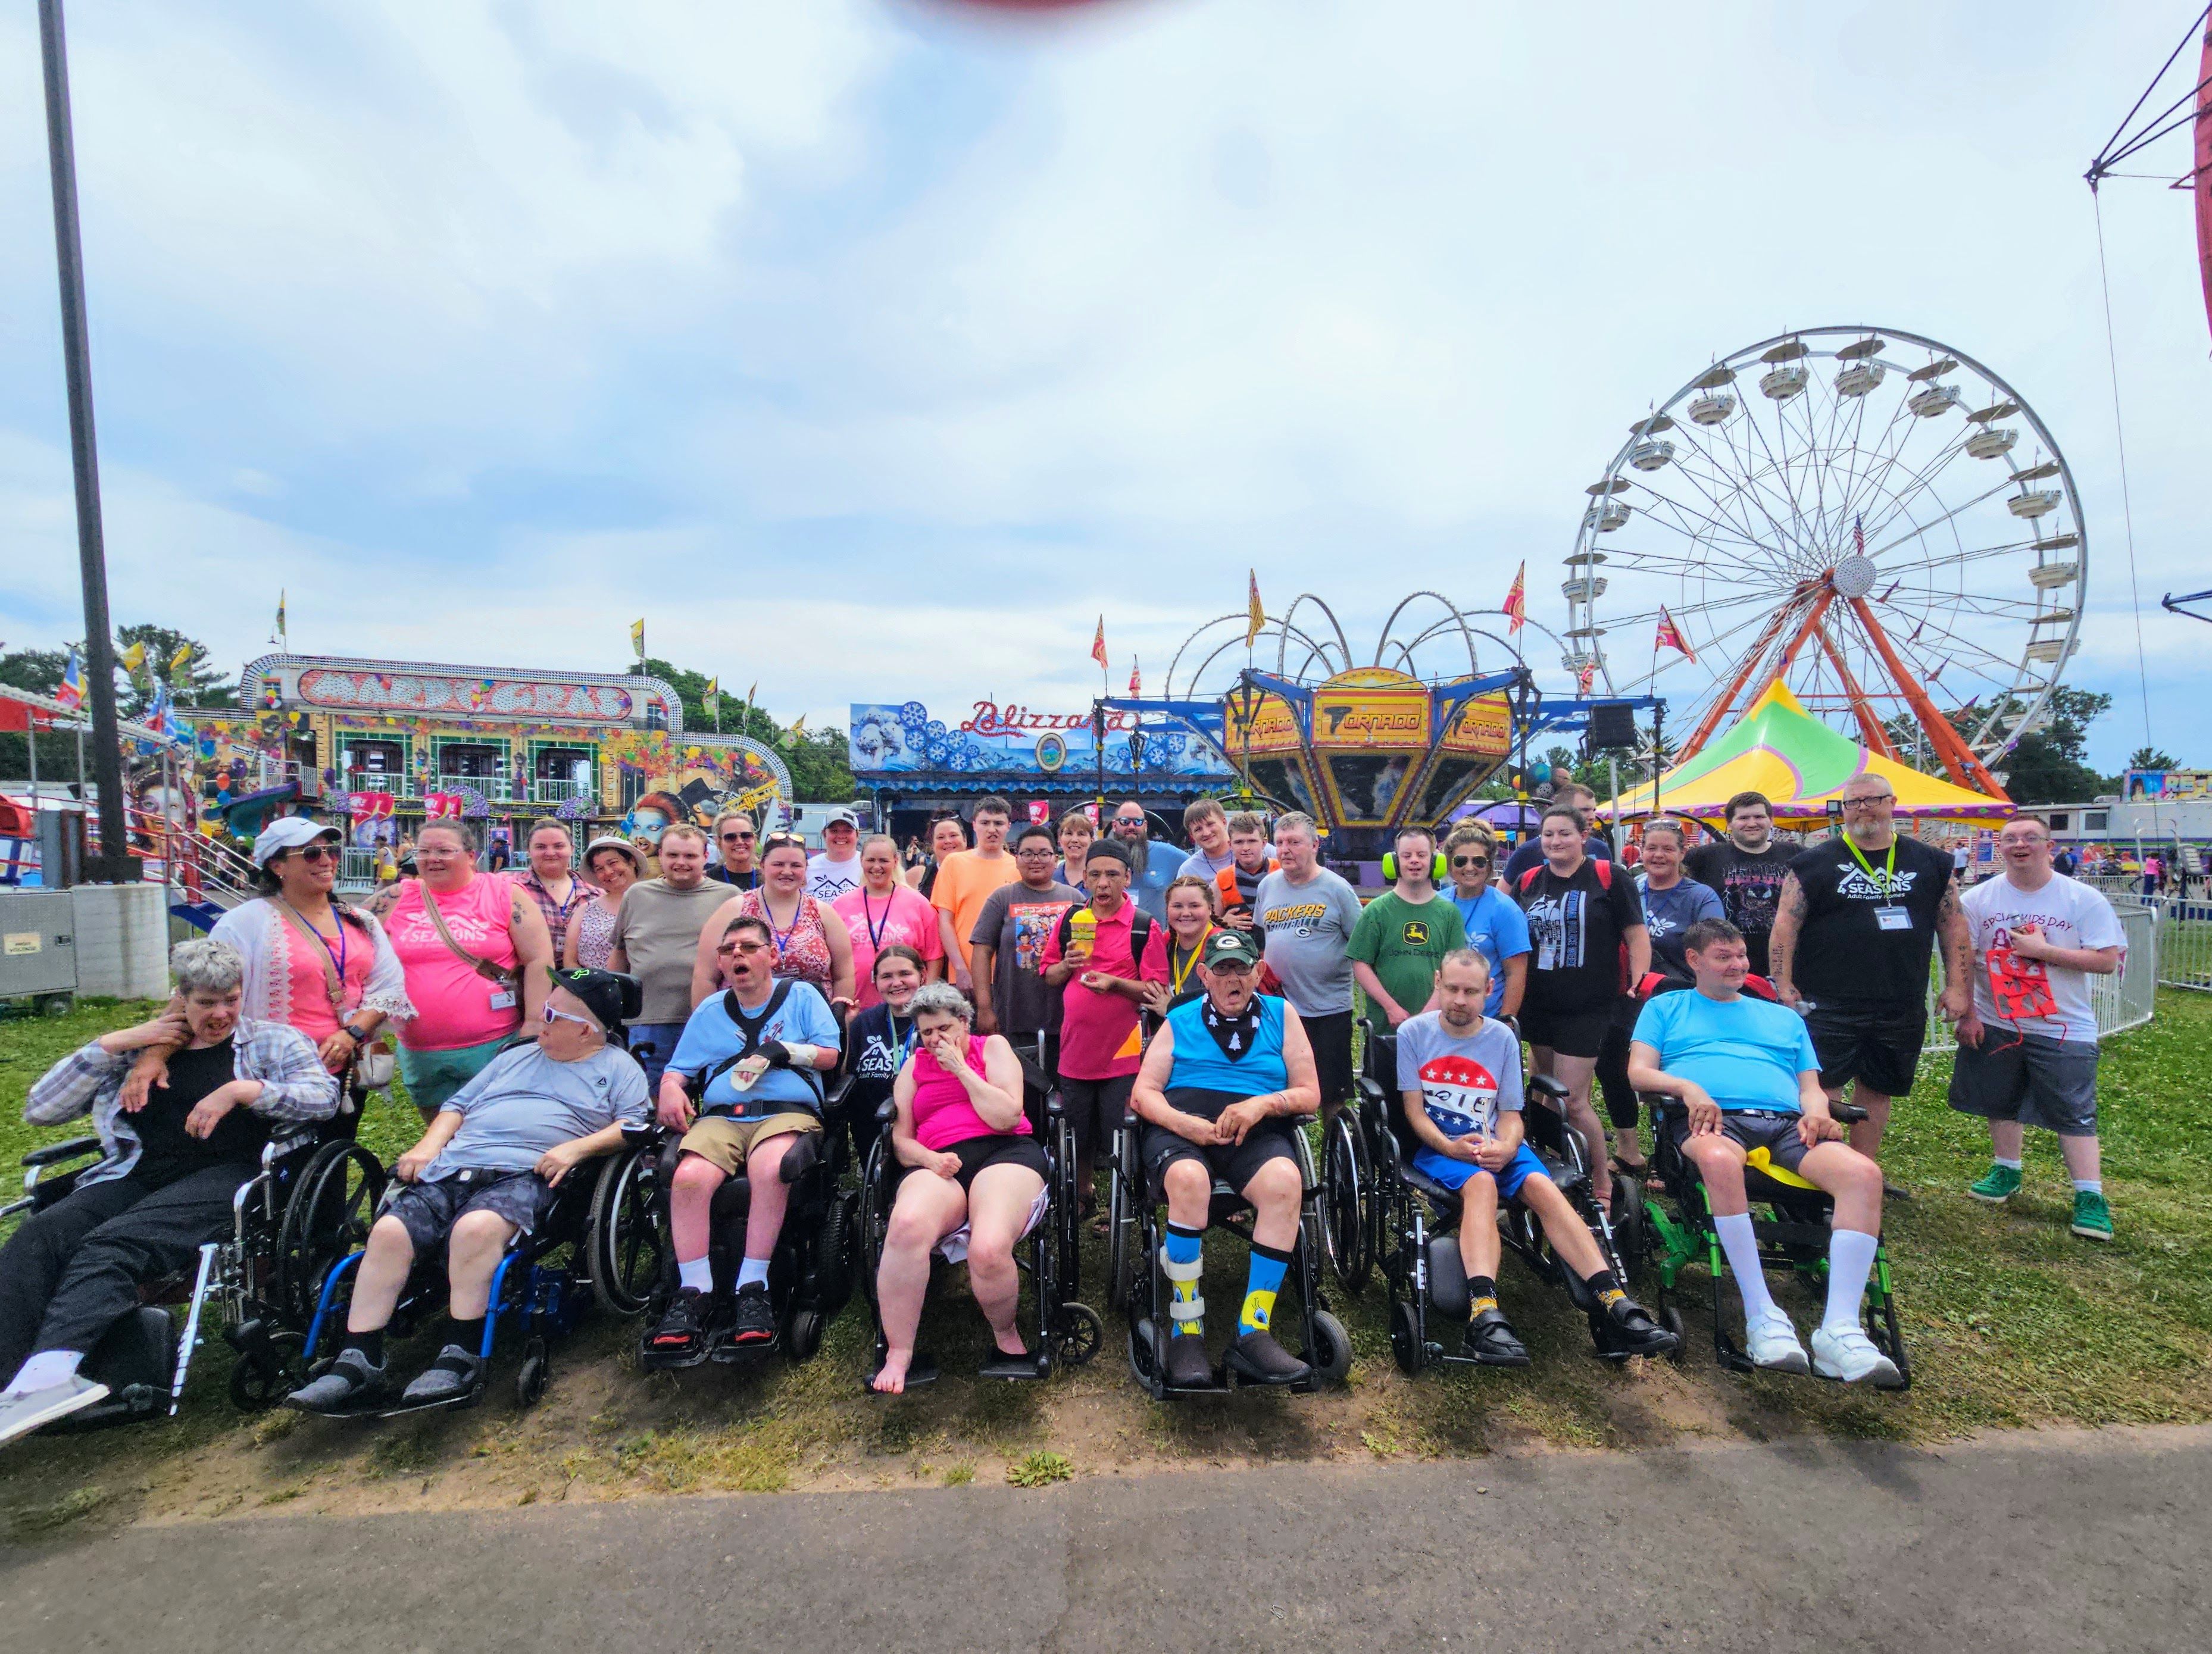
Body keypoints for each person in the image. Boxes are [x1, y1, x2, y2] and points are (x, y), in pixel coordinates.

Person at [1, 940, 338, 1443]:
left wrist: (242, 1091)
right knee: (38, 1238)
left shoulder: (272, 1042)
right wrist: (113, 1041)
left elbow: (323, 1099)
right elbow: (41, 1109)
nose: (221, 1013)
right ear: (181, 997)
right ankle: (13, 1385)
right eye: (206, 1002)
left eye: (231, 999)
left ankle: (54, 1371)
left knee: (112, 1246)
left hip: (230, 1175)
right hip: (136, 1174)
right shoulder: (141, 1051)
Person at [283, 968, 649, 1413]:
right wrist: (428, 1145)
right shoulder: (516, 1055)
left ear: (586, 1030)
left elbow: (635, 1124)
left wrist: (577, 1148)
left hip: (526, 1174)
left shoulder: (617, 1067)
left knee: (475, 1230)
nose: (542, 1021)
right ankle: (358, 1358)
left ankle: (461, 1353)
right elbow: (457, 1106)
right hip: (457, 1165)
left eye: (552, 1014)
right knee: (389, 1232)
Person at [1628, 919, 1900, 1383]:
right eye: (1723, 956)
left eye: (1741, 955)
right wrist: (1688, 1087)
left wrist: (1817, 1111)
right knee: (1716, 1160)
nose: (1738, 964)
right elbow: (1639, 1073)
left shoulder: (1783, 1017)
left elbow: (1810, 1087)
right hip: (1712, 1118)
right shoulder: (1667, 1007)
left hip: (1786, 1124)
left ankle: (1840, 1328)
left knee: (1864, 1175)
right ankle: (1762, 1314)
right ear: (1694, 960)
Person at [1398, 952, 1673, 1364]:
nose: (1459, 999)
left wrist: (1508, 1147)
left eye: (1471, 991)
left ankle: (1614, 1298)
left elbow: (1511, 1116)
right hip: (1443, 1145)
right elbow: (1415, 1113)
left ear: (1489, 990)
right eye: (1452, 988)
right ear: (1438, 982)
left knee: (1543, 1187)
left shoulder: (1501, 1038)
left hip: (1498, 1142)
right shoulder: (1413, 1033)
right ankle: (1483, 1311)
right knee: (1481, 1184)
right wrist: (1450, 1147)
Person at [1130, 928, 1318, 1389]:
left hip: (1253, 1129)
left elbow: (1309, 1092)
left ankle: (1253, 1329)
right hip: (1184, 1129)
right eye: (1221, 969)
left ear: (1258, 972)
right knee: (1190, 1179)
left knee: (1283, 1183)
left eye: (1242, 968)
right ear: (1203, 975)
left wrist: (1262, 1105)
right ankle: (1186, 1328)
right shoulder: (1182, 1017)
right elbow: (1143, 1093)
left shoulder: (1281, 1013)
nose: (1232, 978)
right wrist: (1184, 1123)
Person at [645, 914, 842, 1355]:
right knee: (689, 1176)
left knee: (768, 1168)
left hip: (785, 1111)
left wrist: (785, 1051)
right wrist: (670, 1088)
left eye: (749, 946)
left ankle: (754, 1286)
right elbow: (679, 1069)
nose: (738, 954)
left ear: (772, 955)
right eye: (728, 948)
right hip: (722, 1114)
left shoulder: (802, 996)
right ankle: (693, 1292)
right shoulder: (710, 1010)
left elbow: (830, 1056)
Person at [126, 818, 412, 1113]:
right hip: (268, 1076)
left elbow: (387, 988)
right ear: (278, 866)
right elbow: (196, 995)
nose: (327, 861)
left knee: (335, 1151)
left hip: (345, 1071)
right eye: (312, 854)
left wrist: (350, 1035)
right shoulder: (246, 924)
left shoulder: (359, 921)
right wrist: (154, 1057)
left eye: (332, 851)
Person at [1769, 774, 1971, 1162]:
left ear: (1892, 802)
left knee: (1878, 1089)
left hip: (1900, 999)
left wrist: (1959, 986)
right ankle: (1822, 1168)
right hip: (1827, 999)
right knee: (1822, 1087)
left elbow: (1953, 925)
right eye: (1853, 802)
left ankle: (1863, 1168)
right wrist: (1784, 983)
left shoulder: (1930, 862)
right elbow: (1785, 926)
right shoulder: (1812, 863)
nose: (1863, 808)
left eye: (1872, 799)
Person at [868, 983, 1052, 1394]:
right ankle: (899, 1351)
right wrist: (930, 1160)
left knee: (987, 1246)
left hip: (1005, 1152)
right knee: (907, 1224)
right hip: (939, 1160)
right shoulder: (912, 1068)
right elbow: (901, 1140)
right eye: (926, 1032)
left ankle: (1006, 1335)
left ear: (965, 1022)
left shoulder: (993, 1049)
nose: (935, 1039)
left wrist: (961, 1070)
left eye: (944, 1028)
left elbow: (1007, 1115)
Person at [1951, 815, 2127, 1242]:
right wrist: (1968, 1013)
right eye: (2010, 838)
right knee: (2001, 1100)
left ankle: (2089, 1196)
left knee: (2074, 1112)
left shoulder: (2080, 898)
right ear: (2000, 847)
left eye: (2030, 837)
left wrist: (2043, 951)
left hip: (2063, 1027)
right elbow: (1964, 958)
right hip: (1997, 1020)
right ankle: (2006, 1169)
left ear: (2050, 846)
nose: (2019, 845)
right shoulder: (1979, 899)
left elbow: (2106, 959)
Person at [370, 820, 554, 1123]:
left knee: (494, 1127)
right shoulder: (397, 898)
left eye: (444, 850)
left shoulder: (503, 892)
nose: (433, 858)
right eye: (424, 851)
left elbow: (538, 958)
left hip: (494, 1042)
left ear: (471, 856)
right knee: (438, 1134)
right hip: (420, 1048)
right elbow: (349, 943)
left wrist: (534, 1021)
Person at [1514, 803, 1649, 1211]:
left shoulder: (1610, 877)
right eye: (1548, 835)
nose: (1555, 842)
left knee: (1573, 1099)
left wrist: (1640, 981)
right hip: (1538, 1005)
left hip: (1587, 1005)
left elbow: (1637, 934)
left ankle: (1602, 1179)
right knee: (1545, 1091)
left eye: (1564, 834)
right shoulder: (1529, 880)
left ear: (1583, 836)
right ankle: (1550, 1167)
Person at [1039, 838, 1169, 1213]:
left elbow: (1155, 991)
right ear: (1084, 878)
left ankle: (1123, 1204)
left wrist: (1115, 984)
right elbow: (1048, 975)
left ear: (1128, 877)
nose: (1103, 883)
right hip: (1075, 1051)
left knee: (1121, 1131)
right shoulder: (1070, 920)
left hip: (1123, 1054)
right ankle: (1084, 1194)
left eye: (1112, 874)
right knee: (1078, 1129)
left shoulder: (1144, 926)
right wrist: (1067, 964)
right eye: (1094, 875)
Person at [1253, 812, 1364, 1128]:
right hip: (1281, 1007)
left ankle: (1335, 1160)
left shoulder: (1337, 889)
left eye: (1295, 842)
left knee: (1331, 1094)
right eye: (1281, 843)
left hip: (1328, 1007)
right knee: (1282, 1087)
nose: (1286, 850)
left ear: (1315, 845)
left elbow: (1361, 944)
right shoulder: (1268, 885)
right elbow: (1261, 936)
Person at [605, 823, 730, 1093]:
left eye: (690, 856)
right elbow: (619, 953)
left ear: (706, 857)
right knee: (656, 1101)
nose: (681, 863)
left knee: (714, 1100)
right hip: (649, 1021)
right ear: (660, 855)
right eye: (673, 855)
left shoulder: (729, 898)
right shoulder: (637, 895)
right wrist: (608, 1008)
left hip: (713, 1020)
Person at [693, 831, 858, 1014]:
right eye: (778, 864)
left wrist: (837, 1018)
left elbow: (844, 976)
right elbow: (705, 977)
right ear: (763, 865)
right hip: (743, 1024)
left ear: (805, 869)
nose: (787, 872)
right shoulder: (733, 909)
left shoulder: (823, 913)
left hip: (811, 1024)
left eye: (795, 865)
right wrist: (707, 1025)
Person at [1349, 825, 1467, 1033]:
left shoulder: (1450, 913)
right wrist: (1391, 1007)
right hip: (1384, 1029)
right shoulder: (1377, 911)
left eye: (1421, 855)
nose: (1414, 860)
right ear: (1395, 863)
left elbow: (1454, 970)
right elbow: (1360, 963)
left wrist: (1429, 1013)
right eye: (1406, 855)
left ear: (1434, 862)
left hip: (1437, 1028)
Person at [968, 824, 1081, 1041]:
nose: (1036, 860)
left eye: (1044, 854)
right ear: (1017, 859)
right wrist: (984, 1007)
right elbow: (982, 953)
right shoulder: (1002, 898)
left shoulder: (1074, 899)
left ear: (1055, 858)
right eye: (1028, 854)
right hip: (1014, 1014)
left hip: (1065, 1015)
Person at [1683, 792, 1794, 978]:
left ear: (1771, 820)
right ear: (1729, 824)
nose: (1752, 823)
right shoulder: (1704, 857)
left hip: (1782, 968)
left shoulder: (1795, 855)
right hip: (1722, 968)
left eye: (1759, 817)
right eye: (1743, 818)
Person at [833, 833, 945, 1009]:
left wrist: (926, 998)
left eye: (883, 861)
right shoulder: (840, 906)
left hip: (908, 1006)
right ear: (861, 861)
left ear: (895, 861)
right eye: (871, 860)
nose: (877, 867)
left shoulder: (918, 903)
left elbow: (934, 955)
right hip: (855, 1005)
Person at [841, 945, 929, 1164]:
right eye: (887, 976)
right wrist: (847, 1029)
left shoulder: (937, 1021)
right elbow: (845, 1074)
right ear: (876, 982)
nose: (896, 983)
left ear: (923, 975)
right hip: (873, 1125)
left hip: (926, 1125)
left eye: (905, 974)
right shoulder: (864, 1022)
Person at [1442, 821, 1529, 1021]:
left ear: (1490, 865)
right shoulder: (1439, 902)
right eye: (1461, 861)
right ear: (1449, 863)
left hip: (1487, 1020)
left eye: (1479, 862)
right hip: (1443, 1019)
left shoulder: (1506, 910)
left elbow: (1516, 973)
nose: (1470, 868)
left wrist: (1506, 1022)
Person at [931, 797, 1019, 992]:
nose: (992, 829)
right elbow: (945, 921)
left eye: (998, 823)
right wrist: (960, 967)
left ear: (1008, 827)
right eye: (985, 823)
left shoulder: (1018, 866)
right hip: (965, 973)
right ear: (974, 825)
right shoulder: (954, 863)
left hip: (1008, 975)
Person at [1634, 821, 1725, 984]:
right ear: (1642, 851)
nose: (1659, 855)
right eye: (1652, 848)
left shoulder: (1701, 897)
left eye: (1668, 849)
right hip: (1634, 994)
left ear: (1682, 853)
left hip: (1682, 993)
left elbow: (1716, 951)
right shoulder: (1631, 890)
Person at [503, 818, 600, 970]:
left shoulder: (595, 895)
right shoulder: (508, 889)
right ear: (529, 851)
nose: (550, 853)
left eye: (559, 846)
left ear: (572, 849)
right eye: (541, 847)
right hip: (525, 982)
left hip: (580, 985)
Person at [1145, 875, 1223, 1017]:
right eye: (1177, 906)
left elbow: (1226, 1008)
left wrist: (1172, 1008)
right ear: (1167, 910)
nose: (1186, 913)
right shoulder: (1165, 943)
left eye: (1195, 906)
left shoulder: (1222, 946)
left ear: (1211, 908)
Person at [1502, 783, 1613, 882]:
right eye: (1584, 810)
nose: (1592, 817)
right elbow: (1502, 896)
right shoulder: (1528, 852)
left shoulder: (1600, 848)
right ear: (1563, 811)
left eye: (1594, 811)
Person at [565, 836, 645, 971]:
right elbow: (570, 961)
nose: (608, 872)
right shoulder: (585, 910)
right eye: (599, 869)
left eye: (613, 863)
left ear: (632, 862)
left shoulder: (656, 902)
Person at [1110, 800, 1183, 922]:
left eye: (1138, 822)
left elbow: (1198, 867)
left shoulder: (1166, 853)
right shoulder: (1104, 856)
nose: (1131, 827)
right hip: (1115, 938)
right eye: (1125, 822)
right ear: (1114, 825)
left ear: (1145, 826)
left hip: (1156, 938)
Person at [1211, 810, 1277, 933]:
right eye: (1239, 842)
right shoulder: (1222, 880)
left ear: (1264, 843)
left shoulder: (1282, 872)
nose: (1246, 848)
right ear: (1230, 845)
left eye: (1252, 841)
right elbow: (1210, 924)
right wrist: (1223, 923)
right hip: (1237, 947)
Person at [806, 809, 865, 903]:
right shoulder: (808, 868)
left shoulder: (869, 866)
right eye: (834, 831)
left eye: (848, 831)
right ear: (824, 834)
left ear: (858, 835)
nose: (841, 836)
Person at [1176, 798, 1235, 884]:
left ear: (1224, 822)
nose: (1206, 833)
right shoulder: (1189, 871)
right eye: (1198, 829)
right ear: (1192, 835)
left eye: (1210, 824)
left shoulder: (1247, 855)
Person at [909, 815, 967, 899]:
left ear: (965, 840)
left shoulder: (979, 871)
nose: (948, 841)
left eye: (953, 835)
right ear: (932, 844)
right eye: (941, 837)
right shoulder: (918, 877)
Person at [704, 809, 762, 892]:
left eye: (746, 836)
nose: (739, 842)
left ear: (755, 840)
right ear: (719, 842)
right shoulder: (708, 881)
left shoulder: (768, 880)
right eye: (730, 837)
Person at [1054, 807, 1095, 889]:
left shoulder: (1100, 879)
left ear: (1092, 841)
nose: (1074, 840)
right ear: (1060, 839)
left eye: (1081, 834)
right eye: (1069, 833)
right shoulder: (1049, 878)